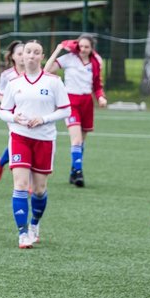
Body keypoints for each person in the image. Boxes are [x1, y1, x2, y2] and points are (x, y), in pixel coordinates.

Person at [0, 40, 69, 249]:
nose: (30, 55)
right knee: (20, 185)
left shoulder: (53, 82)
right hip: (19, 137)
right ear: (20, 56)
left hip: (45, 139)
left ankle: (34, 224)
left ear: (42, 56)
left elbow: (65, 110)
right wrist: (15, 118)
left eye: (35, 52)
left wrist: (44, 118)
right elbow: (3, 112)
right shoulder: (14, 83)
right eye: (26, 52)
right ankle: (22, 234)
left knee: (39, 190)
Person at [45, 34, 107, 187]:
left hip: (87, 102)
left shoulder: (96, 62)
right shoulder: (69, 58)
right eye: (81, 46)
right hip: (71, 102)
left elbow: (97, 85)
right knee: (76, 139)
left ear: (92, 48)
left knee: (81, 141)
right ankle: (79, 173)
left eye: (87, 47)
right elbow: (46, 69)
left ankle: (74, 171)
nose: (83, 49)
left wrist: (101, 97)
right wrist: (58, 49)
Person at [0, 40, 24, 181]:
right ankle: (24, 181)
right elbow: (0, 93)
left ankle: (1, 162)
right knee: (19, 139)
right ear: (13, 56)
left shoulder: (35, 73)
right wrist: (7, 107)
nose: (23, 56)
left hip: (30, 111)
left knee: (26, 140)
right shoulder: (7, 75)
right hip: (13, 114)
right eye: (20, 53)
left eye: (26, 53)